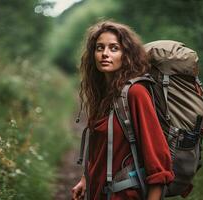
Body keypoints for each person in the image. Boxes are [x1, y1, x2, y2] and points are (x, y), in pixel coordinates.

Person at [72, 20, 174, 200]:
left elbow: (157, 160)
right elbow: (100, 149)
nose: (105, 54)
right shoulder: (102, 95)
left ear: (126, 54)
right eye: (99, 48)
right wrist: (85, 179)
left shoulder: (136, 94)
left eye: (113, 48)